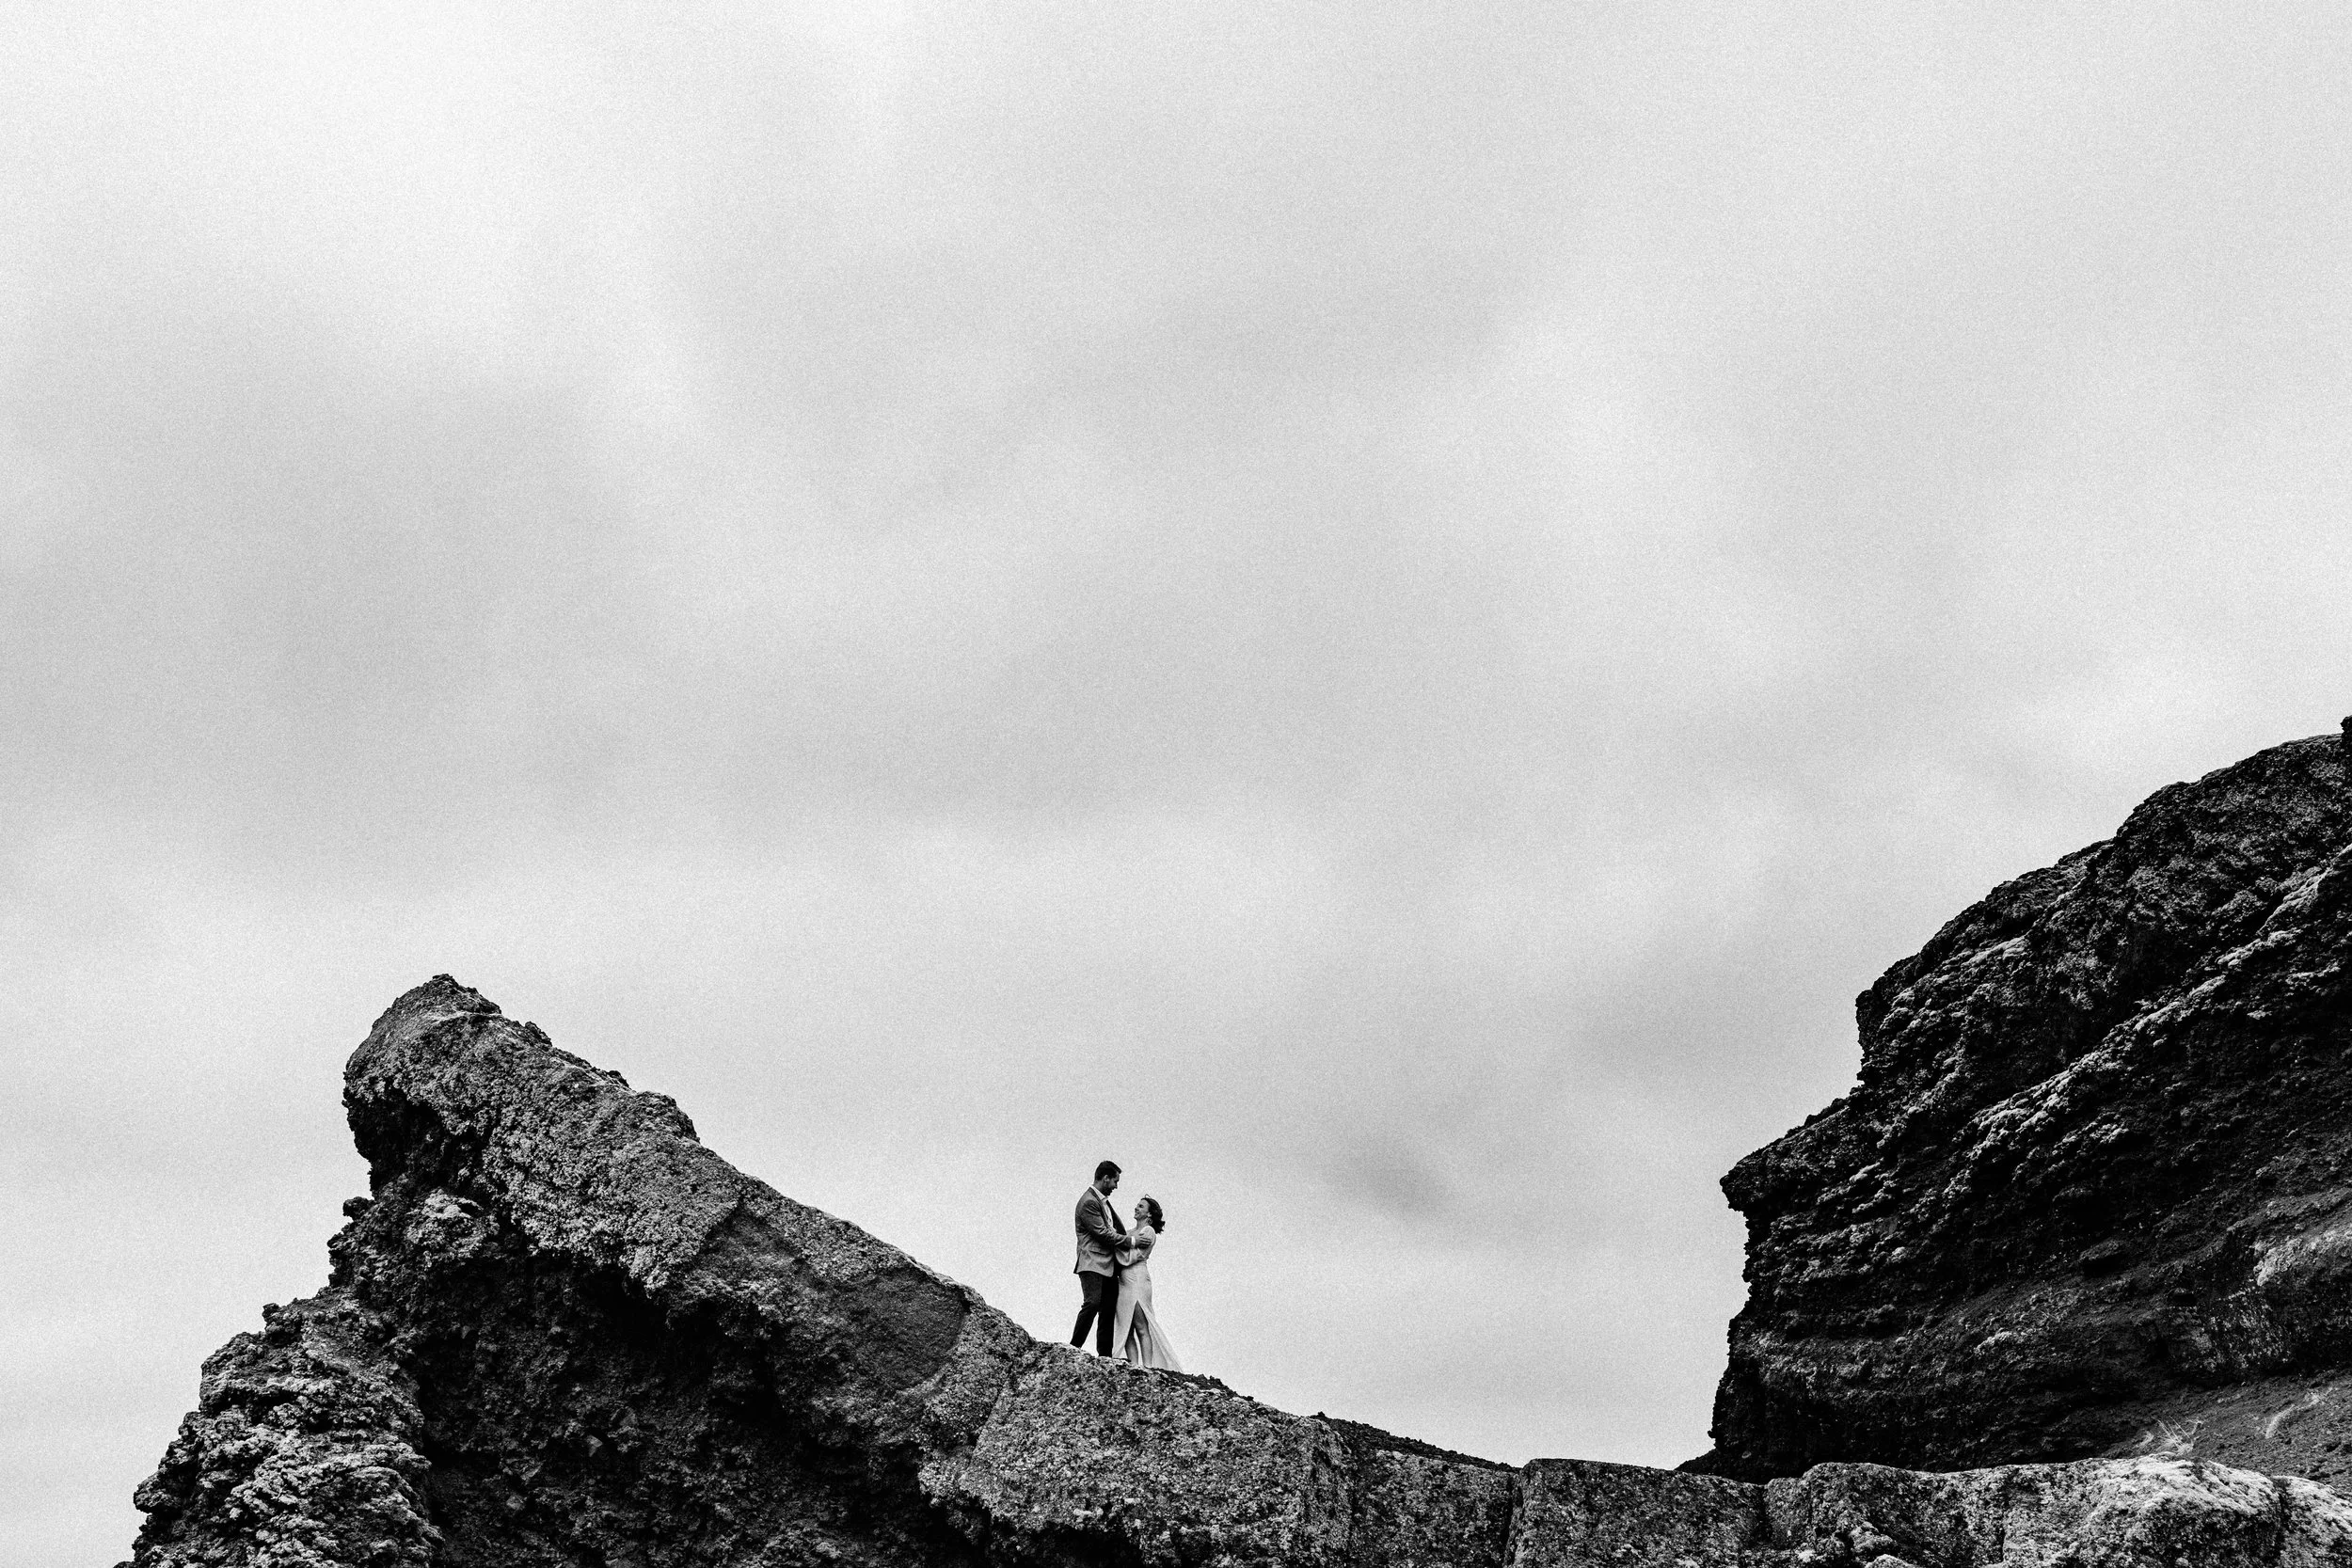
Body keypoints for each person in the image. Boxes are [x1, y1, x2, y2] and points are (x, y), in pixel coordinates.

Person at [1109, 1195, 1183, 1371]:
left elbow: (1134, 1256)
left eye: (1141, 1206)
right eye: (1137, 1205)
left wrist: (1117, 1252)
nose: (1137, 1208)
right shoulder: (1127, 1233)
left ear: (1149, 1215)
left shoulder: (1148, 1231)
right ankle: (1134, 1366)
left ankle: (1148, 1366)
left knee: (1141, 1325)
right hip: (1124, 1282)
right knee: (1125, 1327)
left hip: (1137, 1280)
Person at [1071, 1160, 1127, 1354]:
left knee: (1108, 1310)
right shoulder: (1088, 1202)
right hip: (1092, 1262)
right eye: (1115, 1181)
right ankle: (1073, 1347)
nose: (1116, 1186)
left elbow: (1115, 1229)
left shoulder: (1102, 1202)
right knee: (1092, 1303)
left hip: (1109, 1265)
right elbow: (1103, 1233)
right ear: (1105, 1178)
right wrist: (1132, 1242)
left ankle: (1105, 1355)